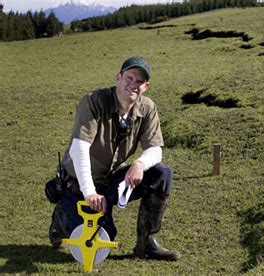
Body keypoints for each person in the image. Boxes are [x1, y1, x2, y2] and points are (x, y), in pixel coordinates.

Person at [48, 56, 181, 261]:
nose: (133, 85)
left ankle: (146, 243)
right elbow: (79, 149)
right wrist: (90, 192)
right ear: (118, 77)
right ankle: (61, 219)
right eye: (129, 78)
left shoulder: (147, 108)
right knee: (101, 239)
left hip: (111, 182)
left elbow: (156, 150)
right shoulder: (94, 101)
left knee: (161, 173)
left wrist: (139, 164)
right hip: (80, 184)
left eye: (139, 82)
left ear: (146, 86)